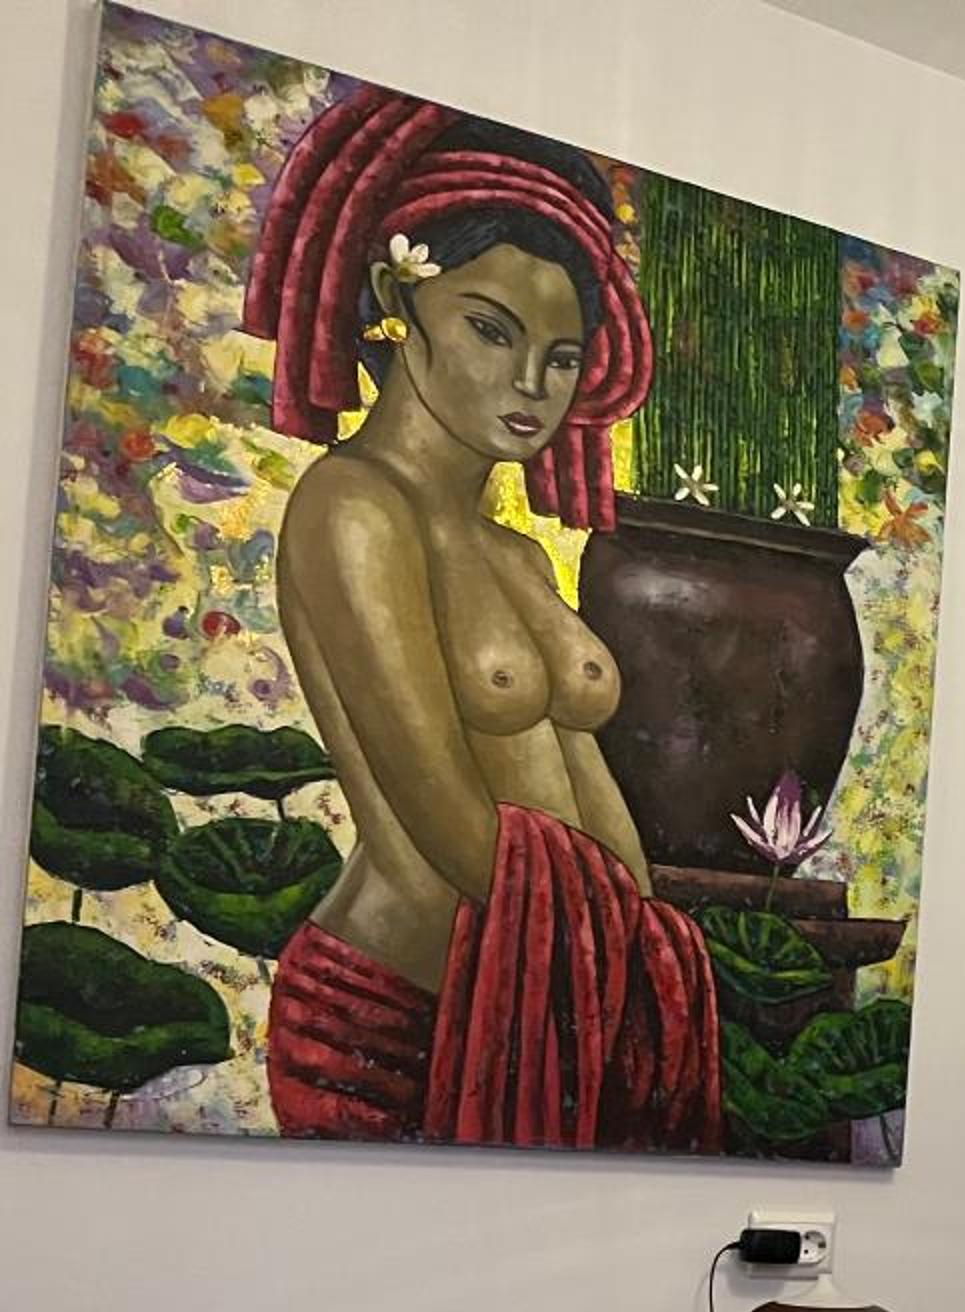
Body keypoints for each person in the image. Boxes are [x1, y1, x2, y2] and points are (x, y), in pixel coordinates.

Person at [242, 89, 718, 1147]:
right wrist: (621, 952)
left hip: (568, 998)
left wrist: (643, 964)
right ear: (394, 299)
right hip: (392, 1019)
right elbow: (447, 817)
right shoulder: (353, 507)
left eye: (561, 356)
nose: (530, 384)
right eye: (491, 331)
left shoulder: (518, 555)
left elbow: (581, 785)